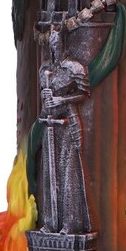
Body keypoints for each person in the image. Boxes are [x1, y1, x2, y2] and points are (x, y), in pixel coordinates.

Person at [38, 28, 92, 233]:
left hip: (68, 123)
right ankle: (50, 223)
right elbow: (44, 96)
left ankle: (70, 224)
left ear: (64, 43)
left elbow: (84, 94)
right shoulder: (45, 69)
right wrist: (47, 100)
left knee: (68, 171)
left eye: (57, 43)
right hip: (50, 123)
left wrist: (62, 99)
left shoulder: (74, 68)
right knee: (49, 171)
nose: (54, 47)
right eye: (51, 43)